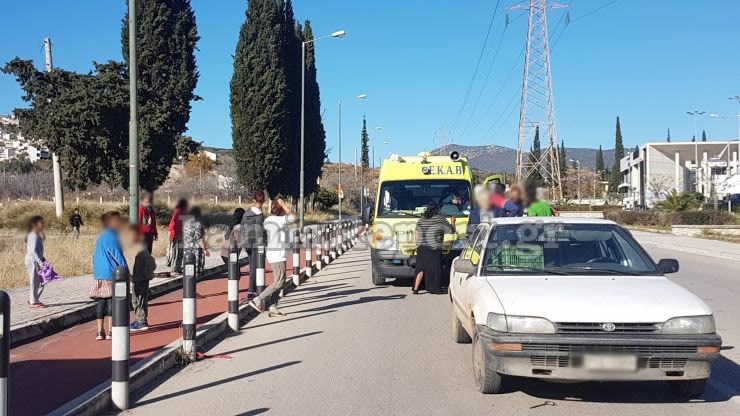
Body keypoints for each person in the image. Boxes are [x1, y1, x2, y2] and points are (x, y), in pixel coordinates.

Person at [248, 198, 295, 316]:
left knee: (279, 281)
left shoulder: (268, 220)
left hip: (274, 253)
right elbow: (294, 217)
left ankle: (273, 307)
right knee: (279, 282)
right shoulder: (280, 220)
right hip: (278, 254)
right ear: (281, 210)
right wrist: (284, 204)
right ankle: (258, 299)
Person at [91, 211, 128, 341]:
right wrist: (126, 271)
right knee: (112, 301)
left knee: (101, 302)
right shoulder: (112, 236)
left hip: (99, 273)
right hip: (111, 273)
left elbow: (95, 256)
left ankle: (99, 331)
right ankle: (111, 331)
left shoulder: (102, 237)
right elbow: (118, 256)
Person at [413, 202, 456, 295]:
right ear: (437, 209)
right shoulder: (440, 219)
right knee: (435, 269)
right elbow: (451, 231)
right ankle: (434, 288)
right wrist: (453, 222)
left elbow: (417, 233)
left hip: (422, 247)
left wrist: (417, 245)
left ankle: (416, 289)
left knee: (421, 268)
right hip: (434, 248)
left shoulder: (421, 219)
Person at [128, 224, 156, 332]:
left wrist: (147, 274)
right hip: (139, 278)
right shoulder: (140, 249)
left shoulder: (140, 250)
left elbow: (151, 263)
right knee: (138, 300)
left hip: (140, 279)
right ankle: (140, 320)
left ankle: (141, 321)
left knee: (139, 301)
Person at [241, 191, 266, 298]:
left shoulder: (246, 213)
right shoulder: (259, 215)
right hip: (257, 244)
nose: (260, 204)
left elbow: (242, 228)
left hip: (247, 243)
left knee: (252, 266)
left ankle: (253, 289)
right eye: (261, 202)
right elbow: (261, 230)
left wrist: (244, 241)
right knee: (256, 267)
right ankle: (252, 290)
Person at [25, 216, 46, 308]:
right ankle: (33, 301)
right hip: (33, 261)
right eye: (41, 223)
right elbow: (33, 251)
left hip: (36, 260)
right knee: (35, 281)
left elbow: (37, 250)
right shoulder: (33, 235)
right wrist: (40, 262)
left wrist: (43, 259)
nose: (43, 224)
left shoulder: (36, 234)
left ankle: (34, 299)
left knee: (41, 281)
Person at [183, 206, 209, 276]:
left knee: (188, 269)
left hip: (186, 249)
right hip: (196, 250)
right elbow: (199, 238)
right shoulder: (197, 224)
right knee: (196, 271)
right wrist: (205, 249)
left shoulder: (185, 224)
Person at [167, 198, 188, 274]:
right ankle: (174, 269)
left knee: (180, 252)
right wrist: (173, 235)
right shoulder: (178, 211)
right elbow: (173, 224)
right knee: (176, 252)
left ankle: (178, 268)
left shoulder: (184, 212)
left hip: (181, 234)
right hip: (176, 234)